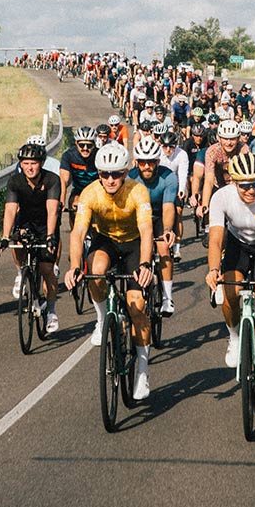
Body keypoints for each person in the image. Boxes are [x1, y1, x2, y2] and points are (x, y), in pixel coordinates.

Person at [64, 143, 156, 400]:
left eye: (116, 173)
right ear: (99, 174)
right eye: (104, 174)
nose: (110, 179)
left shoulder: (138, 192)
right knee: (95, 271)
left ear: (126, 172)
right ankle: (103, 318)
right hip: (106, 241)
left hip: (134, 243)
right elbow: (78, 232)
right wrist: (73, 267)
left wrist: (146, 264)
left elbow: (147, 231)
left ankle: (143, 370)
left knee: (136, 303)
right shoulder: (90, 194)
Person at [205, 152, 255, 394]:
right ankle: (234, 337)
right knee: (230, 291)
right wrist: (213, 269)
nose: (251, 191)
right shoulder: (221, 197)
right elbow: (216, 240)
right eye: (244, 186)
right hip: (237, 245)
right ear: (233, 182)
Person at [0, 143, 62, 332]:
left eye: (33, 163)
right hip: (25, 223)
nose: (30, 168)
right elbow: (10, 210)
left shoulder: (52, 180)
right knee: (16, 243)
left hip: (46, 225)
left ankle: (51, 311)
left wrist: (50, 236)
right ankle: (21, 273)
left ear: (41, 163)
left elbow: (52, 211)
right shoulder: (15, 181)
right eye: (25, 163)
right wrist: (4, 236)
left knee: (46, 268)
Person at [130, 137, 179, 316]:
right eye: (142, 162)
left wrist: (167, 230)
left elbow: (168, 207)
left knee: (164, 248)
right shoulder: (130, 177)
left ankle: (167, 297)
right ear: (137, 162)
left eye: (151, 162)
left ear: (158, 161)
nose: (147, 166)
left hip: (158, 216)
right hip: (137, 218)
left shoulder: (169, 177)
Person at [60, 126, 100, 230]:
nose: (85, 148)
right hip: (79, 189)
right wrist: (61, 200)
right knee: (74, 204)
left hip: (97, 190)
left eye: (89, 145)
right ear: (76, 143)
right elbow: (64, 179)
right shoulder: (69, 155)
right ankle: (75, 232)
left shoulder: (99, 155)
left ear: (94, 144)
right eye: (82, 145)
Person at [159, 131, 189, 261]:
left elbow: (183, 173)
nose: (168, 150)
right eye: (165, 146)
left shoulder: (182, 154)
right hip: (160, 185)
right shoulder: (158, 153)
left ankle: (177, 247)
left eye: (170, 147)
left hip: (175, 185)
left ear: (175, 146)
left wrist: (181, 190)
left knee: (178, 212)